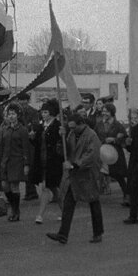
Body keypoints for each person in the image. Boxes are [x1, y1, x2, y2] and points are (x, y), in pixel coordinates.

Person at [47, 105, 104, 245]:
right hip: (74, 175)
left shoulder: (92, 135)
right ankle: (63, 234)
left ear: (81, 124)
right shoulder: (71, 134)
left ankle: (98, 232)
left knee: (93, 202)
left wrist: (75, 164)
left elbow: (91, 155)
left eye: (73, 127)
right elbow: (64, 151)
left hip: (88, 174)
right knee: (68, 203)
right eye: (70, 127)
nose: (71, 129)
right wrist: (62, 138)